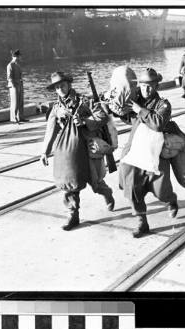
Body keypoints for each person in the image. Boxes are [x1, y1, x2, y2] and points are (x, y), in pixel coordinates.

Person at [40, 72, 115, 231]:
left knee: (95, 182)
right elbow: (50, 131)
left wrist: (85, 121)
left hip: (87, 149)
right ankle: (73, 215)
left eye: (62, 85)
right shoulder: (56, 108)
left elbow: (102, 116)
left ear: (69, 85)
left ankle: (107, 193)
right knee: (69, 183)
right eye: (57, 87)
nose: (60, 89)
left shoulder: (84, 101)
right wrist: (44, 152)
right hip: (68, 153)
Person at [118, 68, 178, 238]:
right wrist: (117, 108)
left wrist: (140, 110)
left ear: (156, 85)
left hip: (156, 153)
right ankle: (141, 222)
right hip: (135, 152)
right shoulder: (136, 101)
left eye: (150, 86)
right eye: (143, 86)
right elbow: (128, 118)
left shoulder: (163, 104)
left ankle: (170, 199)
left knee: (161, 190)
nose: (146, 89)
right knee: (132, 187)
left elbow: (158, 123)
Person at [7, 49, 28, 124]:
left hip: (19, 84)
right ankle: (13, 118)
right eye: (19, 56)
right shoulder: (10, 65)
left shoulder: (17, 65)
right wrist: (14, 86)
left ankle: (21, 117)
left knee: (20, 102)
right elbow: (9, 77)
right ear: (15, 56)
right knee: (15, 102)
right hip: (14, 86)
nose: (20, 58)